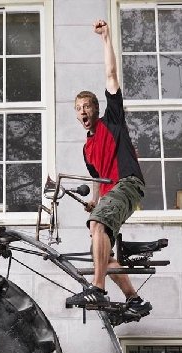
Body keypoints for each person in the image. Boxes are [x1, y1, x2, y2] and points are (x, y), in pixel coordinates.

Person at [65, 19, 152, 320]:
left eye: (87, 106)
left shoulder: (112, 121)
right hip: (112, 190)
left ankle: (97, 288)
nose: (83, 111)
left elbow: (111, 74)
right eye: (79, 108)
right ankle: (135, 300)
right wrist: (95, 200)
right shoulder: (87, 148)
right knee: (100, 250)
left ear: (96, 109)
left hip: (128, 183)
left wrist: (106, 39)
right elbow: (98, 179)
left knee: (97, 224)